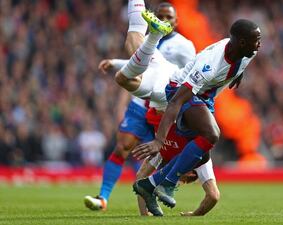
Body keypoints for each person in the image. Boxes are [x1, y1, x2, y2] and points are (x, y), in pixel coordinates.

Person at [127, 19, 261, 214]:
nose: (259, 44)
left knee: (202, 153)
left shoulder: (248, 52)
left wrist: (238, 74)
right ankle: (168, 183)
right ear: (241, 42)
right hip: (178, 90)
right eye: (256, 40)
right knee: (211, 134)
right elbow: (175, 102)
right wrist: (158, 141)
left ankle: (150, 184)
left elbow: (240, 62)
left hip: (205, 97)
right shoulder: (210, 64)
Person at [83, 1, 173, 211]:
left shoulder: (184, 47)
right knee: (123, 147)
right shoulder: (151, 44)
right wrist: (115, 63)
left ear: (176, 22)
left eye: (168, 17)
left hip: (165, 108)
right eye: (160, 16)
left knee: (160, 156)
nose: (164, 19)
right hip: (141, 104)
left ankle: (157, 194)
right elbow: (137, 63)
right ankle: (103, 197)